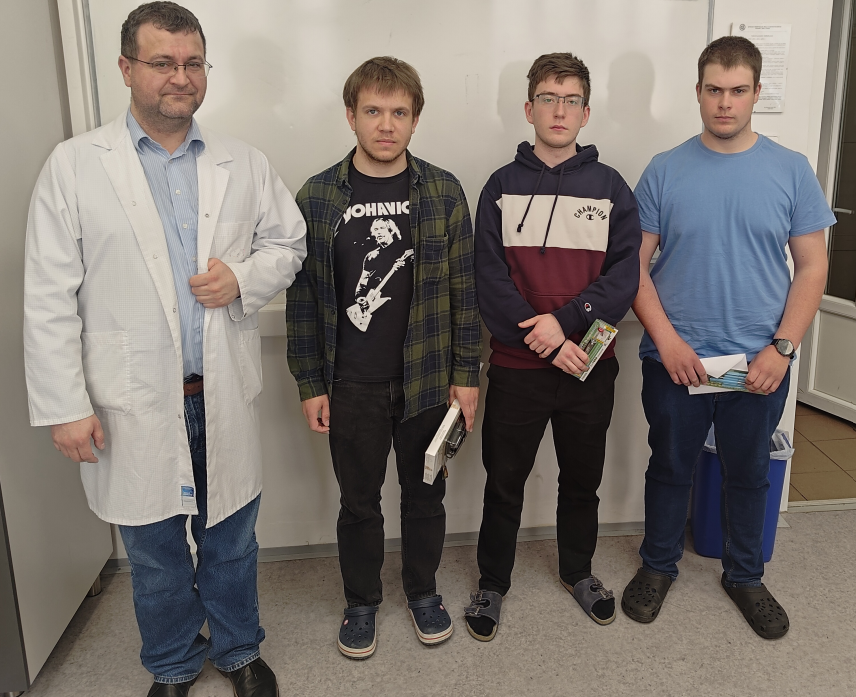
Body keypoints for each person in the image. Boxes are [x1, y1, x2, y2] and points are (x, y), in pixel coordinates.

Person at [23, 3, 306, 695]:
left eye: (193, 63)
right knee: (153, 552)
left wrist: (243, 278)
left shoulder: (243, 161)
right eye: (162, 62)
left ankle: (238, 650)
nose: (181, 77)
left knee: (231, 539)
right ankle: (173, 663)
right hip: (131, 400)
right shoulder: (74, 166)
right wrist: (65, 405)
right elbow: (48, 294)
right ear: (126, 68)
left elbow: (289, 242)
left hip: (219, 391)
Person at [622, 36, 833, 640]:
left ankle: (745, 575)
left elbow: (812, 267)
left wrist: (782, 349)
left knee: (748, 472)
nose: (724, 102)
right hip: (677, 357)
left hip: (758, 359)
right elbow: (633, 265)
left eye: (738, 90)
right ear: (697, 92)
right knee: (670, 467)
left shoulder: (791, 169)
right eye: (714, 89)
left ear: (756, 93)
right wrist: (666, 340)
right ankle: (658, 565)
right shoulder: (664, 169)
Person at [286, 56, 481, 659]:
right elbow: (304, 299)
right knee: (358, 504)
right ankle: (361, 602)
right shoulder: (317, 196)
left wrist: (467, 377)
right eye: (373, 110)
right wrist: (310, 383)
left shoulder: (443, 191)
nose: (386, 124)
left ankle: (423, 592)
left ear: (416, 119)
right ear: (351, 115)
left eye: (399, 112)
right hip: (351, 385)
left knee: (425, 495)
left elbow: (465, 293)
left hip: (428, 382)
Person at [464, 52, 641, 641]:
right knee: (503, 481)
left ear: (585, 113)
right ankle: (493, 582)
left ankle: (578, 572)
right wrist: (544, 338)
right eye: (548, 98)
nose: (559, 110)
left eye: (570, 100)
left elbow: (623, 277)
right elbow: (489, 278)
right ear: (529, 108)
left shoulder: (611, 188)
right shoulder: (501, 186)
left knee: (582, 480)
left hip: (589, 363)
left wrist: (564, 325)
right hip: (518, 367)